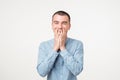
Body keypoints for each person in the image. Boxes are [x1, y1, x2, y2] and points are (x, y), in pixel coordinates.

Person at [37, 10, 84, 80]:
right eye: (56, 23)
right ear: (52, 25)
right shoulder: (43, 46)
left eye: (64, 23)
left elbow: (77, 70)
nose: (60, 26)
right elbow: (42, 72)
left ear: (69, 26)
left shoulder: (77, 44)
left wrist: (62, 48)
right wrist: (55, 48)